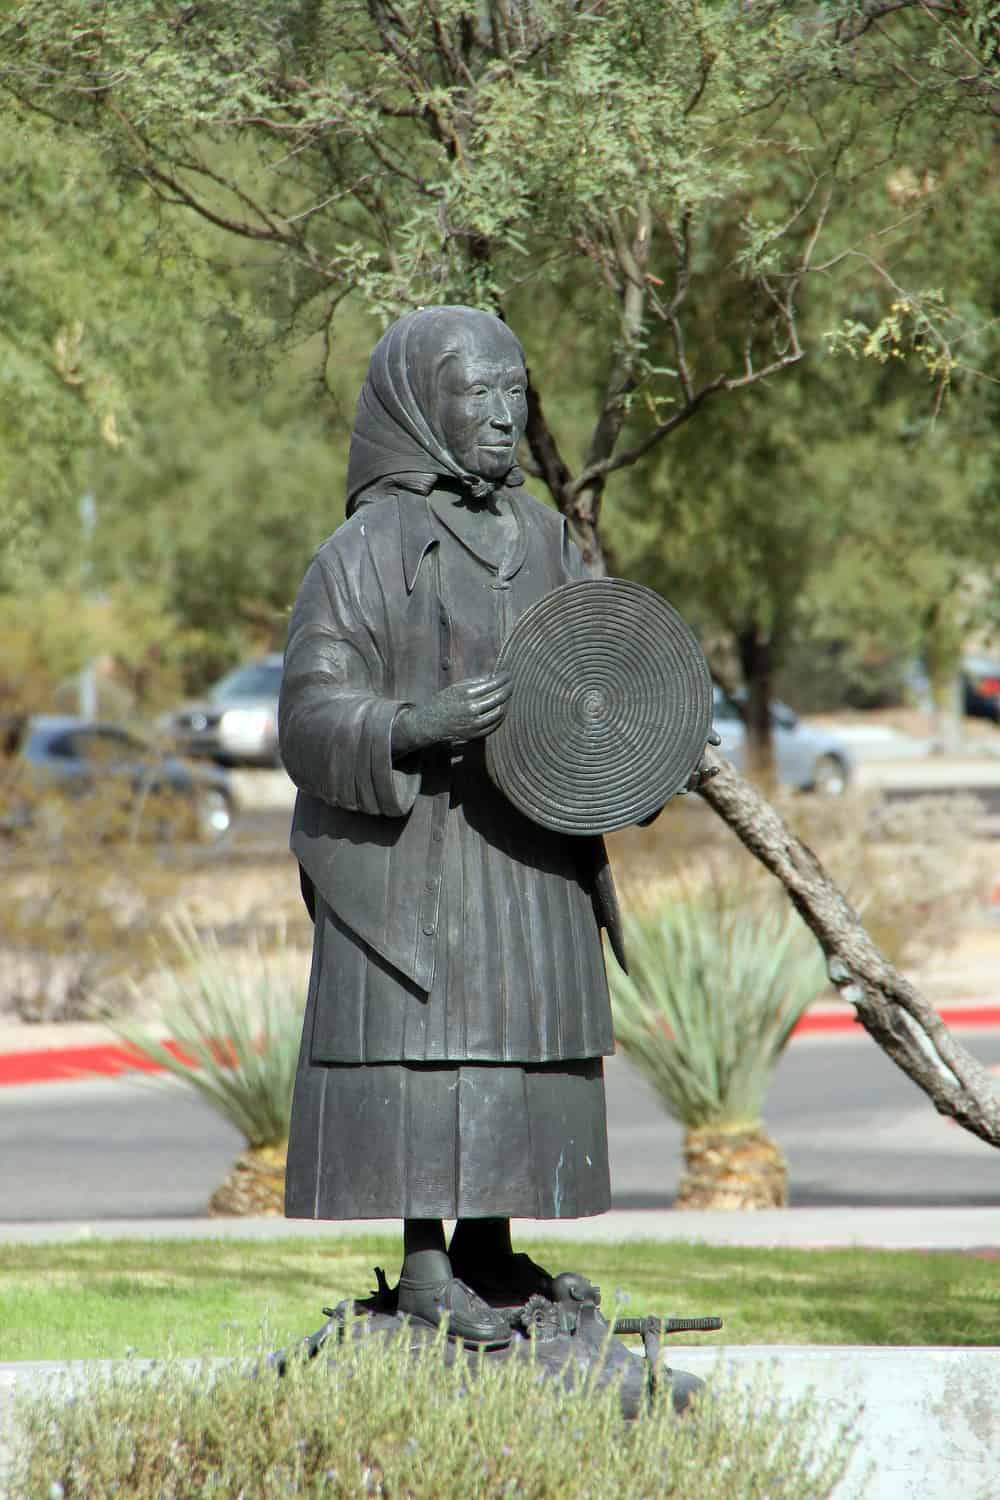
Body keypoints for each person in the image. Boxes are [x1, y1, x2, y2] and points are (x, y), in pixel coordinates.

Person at [279, 305, 637, 1347]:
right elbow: (307, 710)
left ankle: (488, 1245)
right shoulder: (363, 548)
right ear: (420, 405)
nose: (499, 416)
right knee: (423, 1053)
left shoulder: (540, 537)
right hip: (416, 856)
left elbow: (591, 673)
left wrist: (628, 746)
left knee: (516, 1045)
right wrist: (410, 725)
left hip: (527, 845)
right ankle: (427, 1262)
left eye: (512, 393)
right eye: (474, 394)